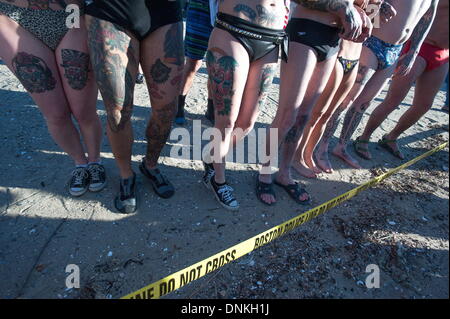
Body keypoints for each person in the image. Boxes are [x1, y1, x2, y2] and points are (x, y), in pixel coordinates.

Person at [257, 0, 370, 206]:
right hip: (305, 30)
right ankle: (264, 172)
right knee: (287, 114)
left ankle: (284, 173)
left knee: (304, 116)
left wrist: (362, 14)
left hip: (334, 38)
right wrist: (344, 8)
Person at [85, 0, 184, 214]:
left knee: (167, 109)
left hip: (164, 12)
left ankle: (150, 165)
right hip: (109, 11)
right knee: (118, 111)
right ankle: (125, 174)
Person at [0, 0, 106, 197]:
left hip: (70, 11)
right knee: (56, 113)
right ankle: (80, 163)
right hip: (10, 17)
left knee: (83, 110)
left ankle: (94, 161)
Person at [202, 0, 290, 210]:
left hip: (271, 39)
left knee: (247, 122)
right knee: (227, 120)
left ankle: (211, 157)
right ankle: (218, 180)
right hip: (233, 31)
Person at [331, 0, 439, 168]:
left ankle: (341, 147)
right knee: (348, 98)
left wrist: (414, 50)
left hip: (396, 49)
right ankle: (320, 146)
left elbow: (428, 16)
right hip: (373, 40)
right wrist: (374, 11)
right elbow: (369, 4)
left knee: (363, 103)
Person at [297, 1, 396, 175]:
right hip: (336, 51)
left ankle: (309, 153)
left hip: (355, 57)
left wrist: (377, 12)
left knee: (327, 115)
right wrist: (354, 10)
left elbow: (369, 27)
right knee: (315, 112)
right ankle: (297, 156)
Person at [356, 0, 449, 160]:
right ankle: (364, 136)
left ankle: (391, 137)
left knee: (424, 105)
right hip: (421, 45)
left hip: (443, 53)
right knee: (394, 100)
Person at [176, 0, 215, 125]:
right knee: (193, 63)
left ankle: (211, 109)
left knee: (216, 66)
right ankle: (179, 106)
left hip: (225, 14)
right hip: (200, 10)